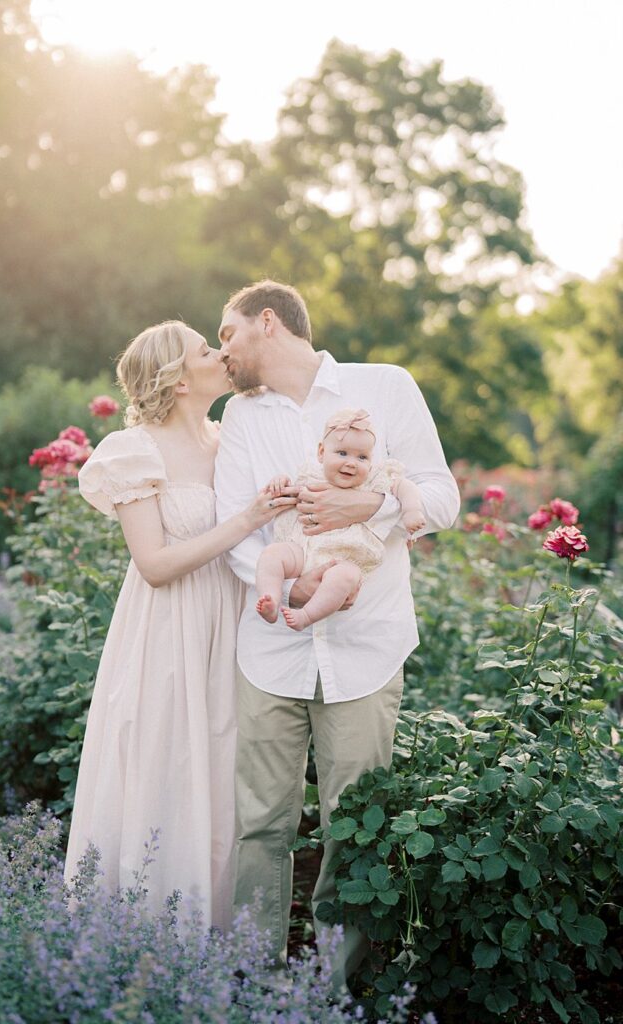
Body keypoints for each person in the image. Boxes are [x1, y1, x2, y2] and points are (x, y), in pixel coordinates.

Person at [213, 281, 460, 990]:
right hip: (272, 650)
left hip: (368, 647)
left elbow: (440, 498)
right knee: (261, 826)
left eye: (227, 333)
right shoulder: (242, 415)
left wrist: (370, 499)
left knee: (354, 828)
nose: (221, 350)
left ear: (268, 323)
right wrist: (289, 587)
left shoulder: (386, 388)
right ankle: (253, 985)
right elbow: (235, 526)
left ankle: (333, 992)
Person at [63, 320, 294, 930]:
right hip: (168, 629)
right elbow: (156, 564)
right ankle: (142, 931)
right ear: (178, 378)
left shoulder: (230, 439)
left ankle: (215, 935)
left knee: (220, 766)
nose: (220, 354)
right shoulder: (136, 451)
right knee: (167, 760)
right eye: (203, 349)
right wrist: (246, 520)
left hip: (231, 623)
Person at [256, 406, 426, 630]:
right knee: (273, 554)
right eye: (342, 453)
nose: (352, 462)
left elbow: (405, 486)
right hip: (301, 549)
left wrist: (412, 510)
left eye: (362, 457)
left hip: (344, 558)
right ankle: (271, 598)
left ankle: (305, 616)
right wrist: (279, 481)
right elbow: (288, 492)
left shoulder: (374, 480)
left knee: (345, 577)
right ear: (321, 452)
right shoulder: (310, 473)